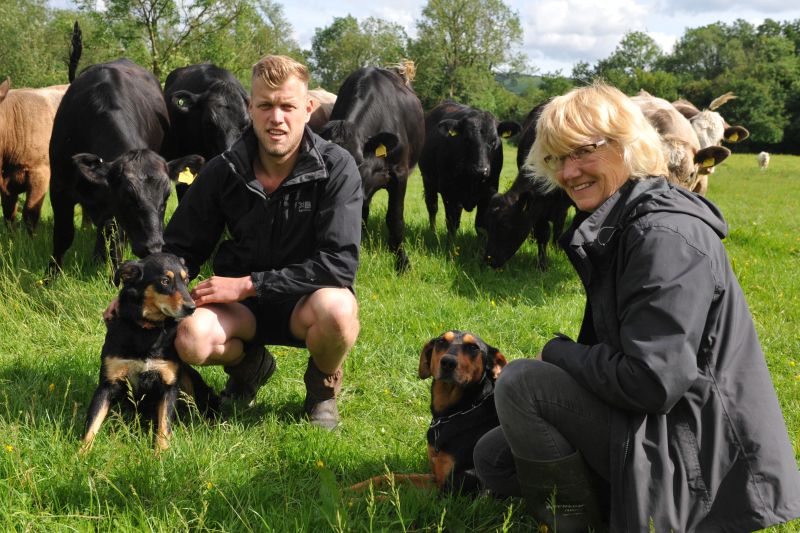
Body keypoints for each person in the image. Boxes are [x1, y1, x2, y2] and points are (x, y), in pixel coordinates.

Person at [472, 83, 800, 531]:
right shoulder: (623, 219)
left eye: (581, 152)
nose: (568, 173)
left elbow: (650, 381)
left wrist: (557, 353)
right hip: (667, 425)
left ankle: (582, 523)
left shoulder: (662, 236)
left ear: (627, 145)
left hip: (700, 458)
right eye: (556, 159)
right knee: (493, 458)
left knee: (521, 384)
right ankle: (615, 501)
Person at [159, 55, 362, 430]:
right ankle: (250, 367)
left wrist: (251, 284)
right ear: (250, 108)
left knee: (339, 310)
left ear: (308, 108)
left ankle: (321, 389)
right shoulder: (224, 169)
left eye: (287, 106)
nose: (277, 118)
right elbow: (180, 247)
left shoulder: (337, 167)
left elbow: (339, 263)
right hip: (243, 310)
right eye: (266, 105)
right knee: (190, 337)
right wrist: (138, 289)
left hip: (306, 301)